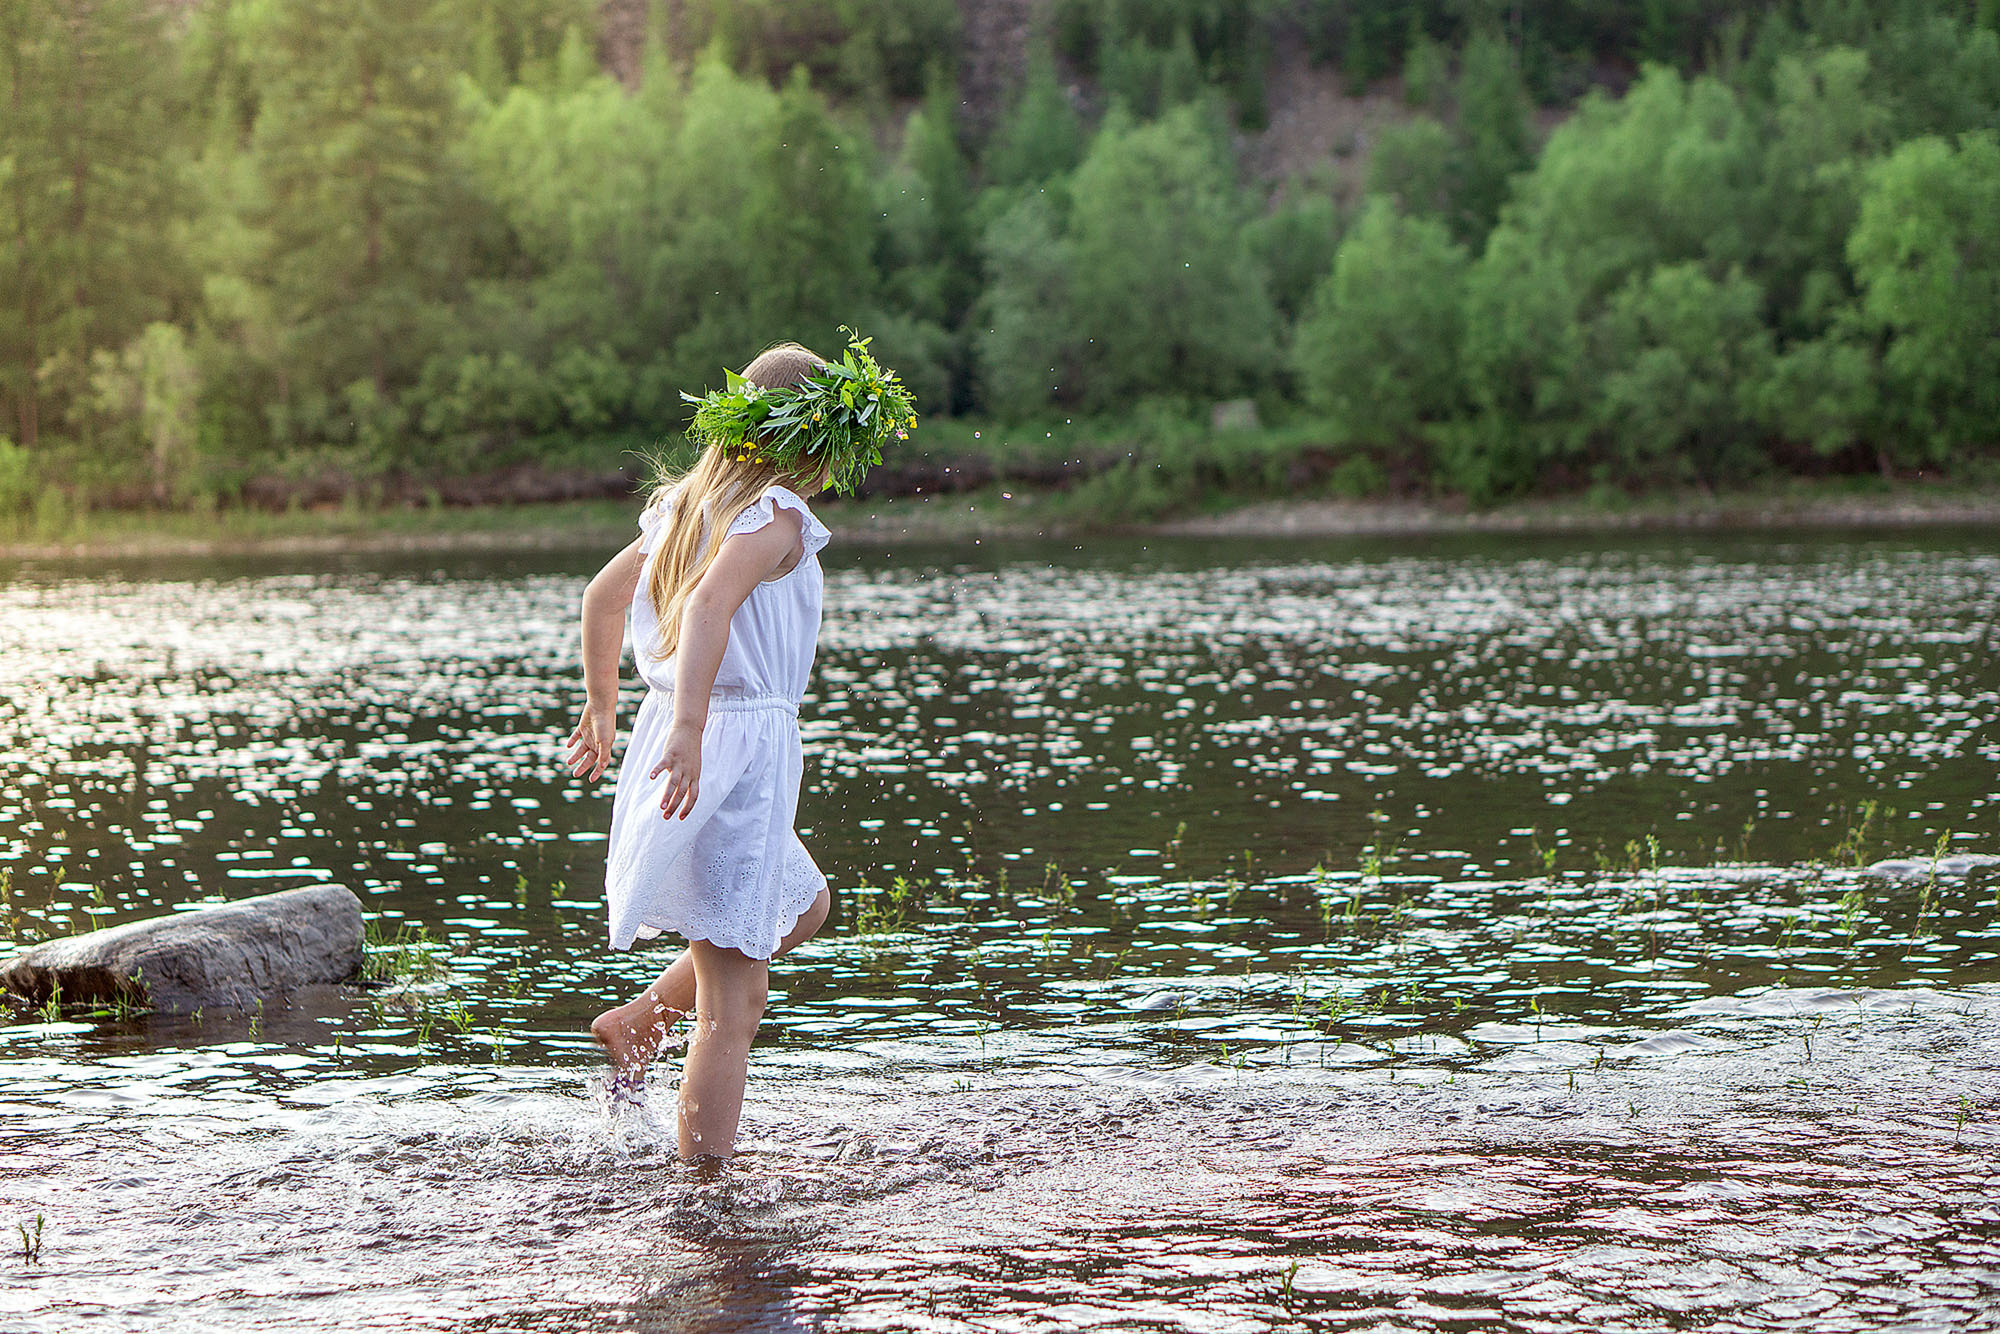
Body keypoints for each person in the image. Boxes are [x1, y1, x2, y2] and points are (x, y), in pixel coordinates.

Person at [565, 332, 914, 1162]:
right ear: (812, 446)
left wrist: (606, 707)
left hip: (691, 735)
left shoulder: (687, 504)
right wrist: (689, 728)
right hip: (727, 749)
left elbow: (601, 600)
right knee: (734, 1006)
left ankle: (640, 1021)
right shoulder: (777, 518)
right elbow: (711, 608)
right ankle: (707, 1196)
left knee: (802, 903)